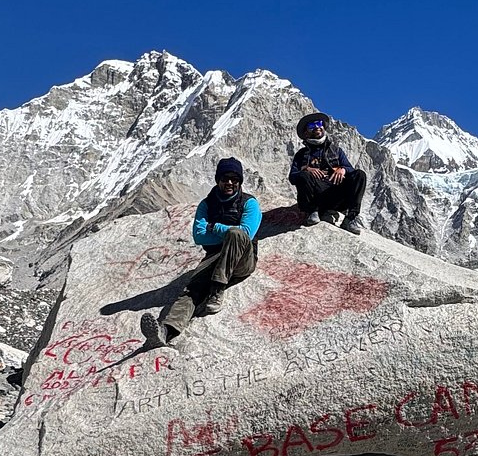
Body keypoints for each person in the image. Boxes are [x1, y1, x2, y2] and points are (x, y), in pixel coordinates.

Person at [148, 157, 262, 345]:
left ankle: (218, 289)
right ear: (218, 179)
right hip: (215, 257)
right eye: (225, 178)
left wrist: (214, 227)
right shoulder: (206, 204)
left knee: (236, 234)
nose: (230, 183)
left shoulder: (249, 203)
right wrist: (219, 232)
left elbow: (246, 234)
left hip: (243, 259)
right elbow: (199, 236)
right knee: (192, 289)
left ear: (240, 181)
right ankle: (166, 331)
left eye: (235, 179)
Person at [289, 113, 367, 234]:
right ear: (305, 133)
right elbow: (293, 177)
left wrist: (343, 169)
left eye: (319, 124)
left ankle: (350, 218)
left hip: (336, 194)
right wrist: (306, 169)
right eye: (311, 125)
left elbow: (350, 169)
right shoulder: (301, 155)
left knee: (360, 175)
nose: (317, 127)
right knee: (303, 175)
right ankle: (312, 212)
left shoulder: (336, 150)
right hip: (315, 198)